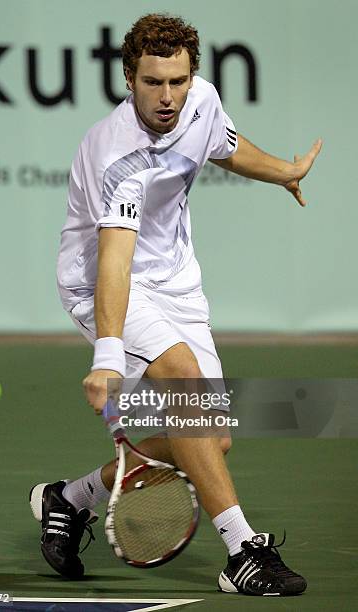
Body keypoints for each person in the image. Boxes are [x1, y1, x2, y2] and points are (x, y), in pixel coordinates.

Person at [30, 13, 321, 596]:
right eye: (152, 82)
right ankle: (242, 550)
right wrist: (108, 356)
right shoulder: (117, 157)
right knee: (183, 380)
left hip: (176, 281)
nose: (167, 97)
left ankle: (72, 497)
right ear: (127, 80)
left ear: (193, 77)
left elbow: (226, 145)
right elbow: (114, 261)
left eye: (178, 82)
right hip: (103, 282)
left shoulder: (201, 101)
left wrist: (284, 171)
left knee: (208, 439)